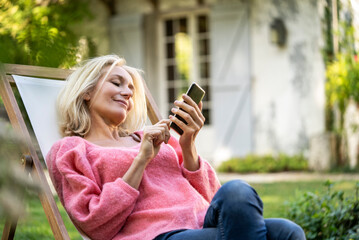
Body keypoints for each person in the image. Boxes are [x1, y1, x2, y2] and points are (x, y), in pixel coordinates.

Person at [46, 55, 306, 240]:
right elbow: (95, 224)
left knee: (252, 203)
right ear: (87, 91)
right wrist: (141, 160)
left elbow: (213, 197)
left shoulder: (157, 137)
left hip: (203, 223)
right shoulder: (71, 150)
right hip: (157, 234)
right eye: (117, 83)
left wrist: (188, 144)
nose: (127, 92)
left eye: (130, 88)